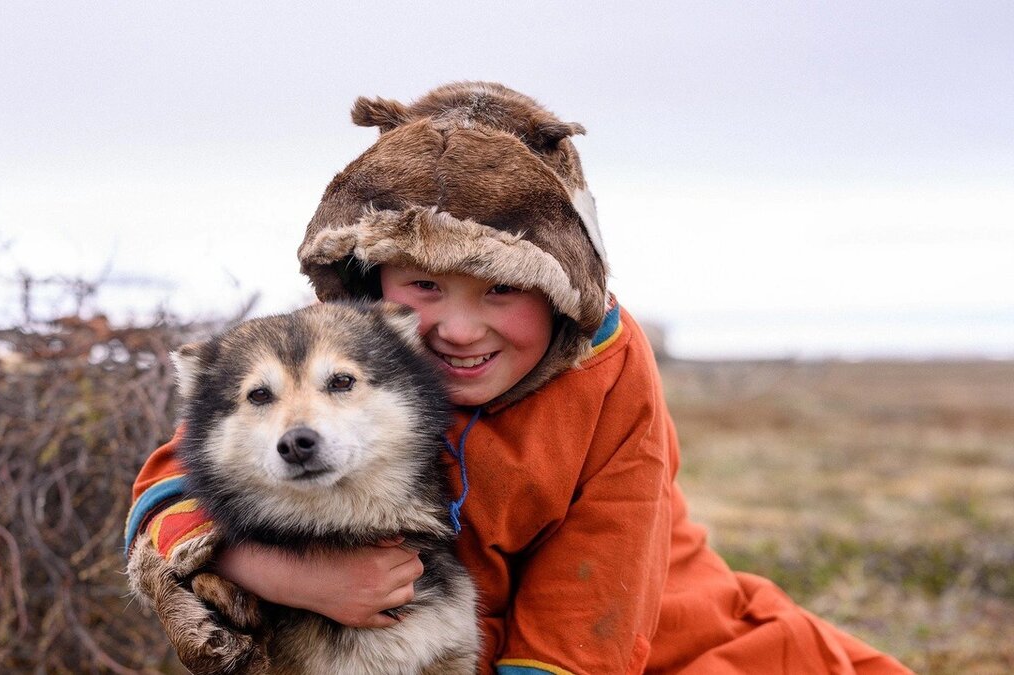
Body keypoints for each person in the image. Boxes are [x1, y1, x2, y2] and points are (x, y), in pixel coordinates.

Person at [125, 82, 910, 674]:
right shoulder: (338, 353)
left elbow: (604, 565)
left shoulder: (607, 366)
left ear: (561, 286)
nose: (459, 329)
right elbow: (180, 473)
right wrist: (284, 570)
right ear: (373, 281)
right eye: (424, 288)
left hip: (650, 629)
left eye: (501, 289)